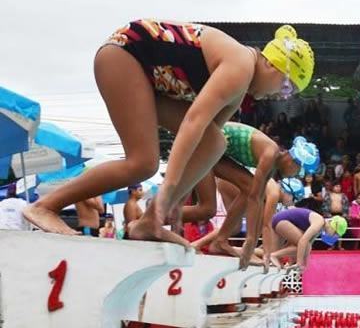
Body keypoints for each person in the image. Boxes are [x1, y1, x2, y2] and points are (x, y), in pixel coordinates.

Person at [25, 21, 314, 247]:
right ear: (271, 64)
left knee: (215, 141)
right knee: (142, 163)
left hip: (148, 78)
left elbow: (203, 146)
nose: (278, 96)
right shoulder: (240, 65)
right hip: (123, 56)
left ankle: (150, 221)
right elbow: (192, 123)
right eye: (286, 87)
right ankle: (45, 206)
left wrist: (174, 200)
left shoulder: (238, 91)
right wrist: (167, 193)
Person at [185, 124, 318, 266]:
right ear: (293, 162)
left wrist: (263, 251)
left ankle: (218, 242)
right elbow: (262, 215)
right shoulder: (271, 162)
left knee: (231, 221)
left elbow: (261, 214)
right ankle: (162, 221)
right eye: (299, 172)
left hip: (216, 150)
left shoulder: (272, 168)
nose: (296, 175)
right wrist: (251, 243)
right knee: (207, 209)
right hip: (206, 144)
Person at [266, 208, 346, 272]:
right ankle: (273, 256)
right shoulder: (319, 222)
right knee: (304, 245)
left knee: (305, 247)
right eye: (335, 233)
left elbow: (308, 247)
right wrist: (299, 263)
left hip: (281, 220)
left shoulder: (320, 227)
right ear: (333, 225)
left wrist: (304, 266)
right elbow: (303, 242)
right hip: (281, 220)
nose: (333, 236)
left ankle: (266, 254)